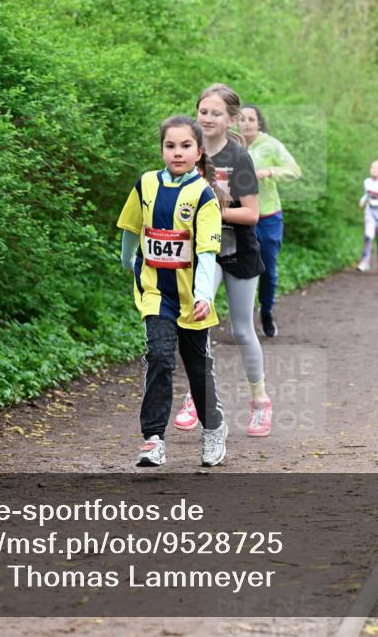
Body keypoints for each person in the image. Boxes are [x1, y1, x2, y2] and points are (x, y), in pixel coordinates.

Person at [116, 115, 227, 467]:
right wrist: (126, 257)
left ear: (198, 152)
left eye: (185, 146)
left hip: (192, 297)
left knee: (197, 368)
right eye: (170, 146)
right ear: (162, 148)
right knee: (160, 359)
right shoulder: (146, 184)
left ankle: (213, 428)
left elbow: (207, 252)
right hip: (155, 292)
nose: (177, 153)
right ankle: (153, 439)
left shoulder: (204, 195)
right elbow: (131, 226)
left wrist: (204, 294)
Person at [173, 83, 274, 438]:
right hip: (205, 252)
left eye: (216, 113)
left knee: (242, 330)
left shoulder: (239, 158)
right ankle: (194, 398)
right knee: (197, 321)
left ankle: (260, 402)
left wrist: (215, 210)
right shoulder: (189, 152)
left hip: (240, 251)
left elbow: (252, 214)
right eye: (203, 111)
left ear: (231, 119)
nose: (208, 118)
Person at [240, 103, 302, 336]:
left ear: (258, 123)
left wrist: (269, 172)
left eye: (251, 119)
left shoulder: (270, 144)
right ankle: (243, 319)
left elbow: (294, 170)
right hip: (240, 217)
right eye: (242, 119)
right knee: (239, 269)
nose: (246, 123)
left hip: (268, 216)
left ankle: (266, 311)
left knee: (267, 269)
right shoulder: (231, 144)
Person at [357, 160, 378, 275]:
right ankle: (365, 262)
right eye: (372, 167)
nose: (374, 169)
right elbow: (367, 194)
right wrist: (362, 201)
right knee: (368, 236)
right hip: (369, 212)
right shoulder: (367, 182)